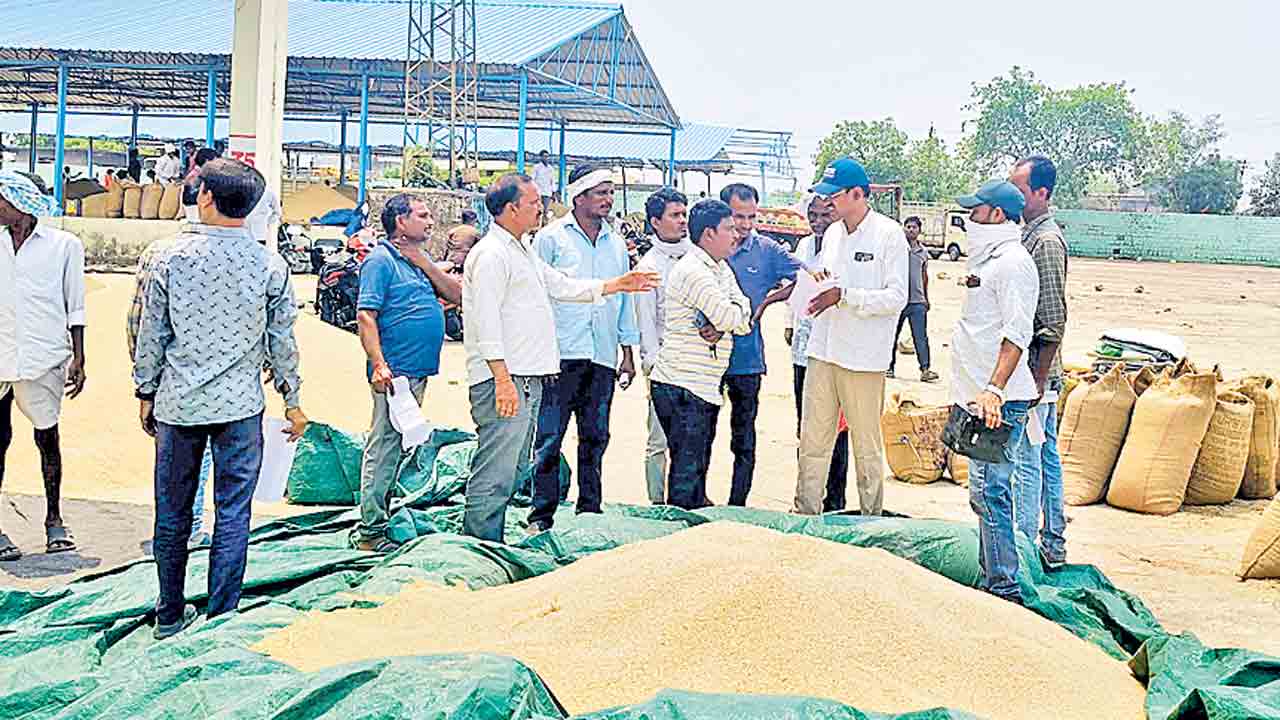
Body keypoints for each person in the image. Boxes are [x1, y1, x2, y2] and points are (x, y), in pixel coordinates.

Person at [132, 158, 309, 639]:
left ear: (205, 197)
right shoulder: (271, 264)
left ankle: (169, 614)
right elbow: (283, 343)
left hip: (179, 405)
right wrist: (292, 399)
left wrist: (145, 391)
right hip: (240, 409)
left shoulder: (168, 257)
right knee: (233, 511)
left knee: (172, 510)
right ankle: (221, 615)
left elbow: (152, 335)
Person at [461, 174, 655, 543]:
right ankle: (479, 545)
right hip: (507, 377)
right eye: (533, 202)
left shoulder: (523, 250)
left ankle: (490, 540)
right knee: (497, 467)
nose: (541, 208)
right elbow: (486, 325)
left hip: (528, 376)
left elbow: (561, 285)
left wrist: (616, 285)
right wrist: (502, 380)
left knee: (515, 464)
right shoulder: (491, 255)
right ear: (511, 208)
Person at [527, 165, 640, 532]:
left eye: (609, 193)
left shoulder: (617, 243)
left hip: (602, 354)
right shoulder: (550, 239)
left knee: (595, 437)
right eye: (600, 193)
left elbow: (625, 300)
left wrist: (627, 352)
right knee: (548, 439)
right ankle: (541, 516)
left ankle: (589, 510)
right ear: (579, 198)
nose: (608, 200)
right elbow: (537, 295)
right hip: (560, 355)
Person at [794, 158, 906, 517]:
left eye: (835, 196)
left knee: (866, 446)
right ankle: (805, 513)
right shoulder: (832, 234)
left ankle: (871, 518)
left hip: (862, 357)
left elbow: (896, 297)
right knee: (813, 440)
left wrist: (845, 296)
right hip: (823, 350)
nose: (827, 204)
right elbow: (827, 280)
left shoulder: (888, 234)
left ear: (858, 194)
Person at [353, 194, 462, 552]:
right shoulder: (380, 262)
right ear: (400, 221)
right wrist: (380, 364)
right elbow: (366, 315)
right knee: (384, 446)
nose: (430, 222)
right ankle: (371, 531)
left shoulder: (419, 259)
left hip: (416, 370)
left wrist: (426, 265)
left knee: (398, 446)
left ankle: (379, 516)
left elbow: (456, 295)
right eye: (423, 215)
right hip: (395, 374)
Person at [951, 179, 1039, 605]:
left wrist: (994, 389)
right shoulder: (992, 260)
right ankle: (993, 579)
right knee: (982, 493)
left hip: (999, 401)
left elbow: (1017, 332)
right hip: (981, 397)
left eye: (977, 211)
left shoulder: (1014, 264)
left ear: (997, 215)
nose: (970, 219)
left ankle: (1004, 590)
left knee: (991, 491)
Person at [0, 171, 86, 562]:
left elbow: (75, 304)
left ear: (18, 202)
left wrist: (79, 356)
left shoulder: (64, 246)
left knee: (46, 438)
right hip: (1, 354)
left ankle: (54, 519)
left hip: (43, 355)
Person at [128, 178, 215, 549]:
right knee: (209, 457)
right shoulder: (253, 257)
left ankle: (173, 532)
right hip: (222, 380)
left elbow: (139, 322)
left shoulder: (159, 252)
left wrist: (145, 383)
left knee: (171, 460)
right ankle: (194, 528)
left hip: (170, 377)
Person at [649, 199, 752, 509]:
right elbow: (728, 316)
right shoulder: (694, 271)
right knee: (686, 473)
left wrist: (731, 318)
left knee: (696, 469)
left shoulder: (720, 268)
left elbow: (743, 311)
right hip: (682, 385)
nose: (736, 234)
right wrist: (731, 318)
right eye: (730, 228)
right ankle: (677, 542)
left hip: (702, 386)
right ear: (709, 234)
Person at [717, 184, 805, 506]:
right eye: (738, 216)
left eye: (751, 216)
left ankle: (737, 504)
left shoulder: (767, 250)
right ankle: (694, 504)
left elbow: (805, 276)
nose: (744, 224)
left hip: (747, 361)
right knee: (697, 437)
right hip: (705, 362)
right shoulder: (706, 248)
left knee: (743, 440)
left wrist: (770, 300)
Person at [1009, 155, 1069, 570]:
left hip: (1037, 371)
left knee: (1028, 460)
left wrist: (1036, 379)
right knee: (1045, 454)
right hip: (1038, 372)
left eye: (1020, 189)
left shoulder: (1045, 242)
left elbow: (1052, 319)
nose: (1014, 196)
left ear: (1041, 193)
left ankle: (1025, 547)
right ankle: (1053, 544)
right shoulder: (1029, 234)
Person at [783, 195, 850, 511]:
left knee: (837, 431)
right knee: (807, 428)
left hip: (835, 351)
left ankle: (835, 499)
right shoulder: (804, 247)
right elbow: (795, 287)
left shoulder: (845, 247)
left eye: (826, 214)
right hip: (804, 349)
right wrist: (789, 323)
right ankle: (808, 498)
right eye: (813, 214)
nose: (819, 220)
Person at [634, 187, 690, 505]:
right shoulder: (648, 266)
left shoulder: (698, 258)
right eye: (674, 215)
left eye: (684, 214)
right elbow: (646, 322)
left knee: (691, 438)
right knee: (659, 439)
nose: (682, 221)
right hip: (662, 364)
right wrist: (652, 366)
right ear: (656, 222)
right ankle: (657, 502)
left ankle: (685, 501)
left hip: (695, 364)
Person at [888, 216, 939, 382]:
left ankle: (925, 370)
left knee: (920, 337)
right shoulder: (897, 249)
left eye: (914, 227)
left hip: (917, 302)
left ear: (919, 230)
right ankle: (888, 367)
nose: (911, 230)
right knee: (891, 335)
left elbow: (924, 276)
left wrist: (926, 298)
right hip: (898, 300)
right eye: (908, 227)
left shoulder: (923, 253)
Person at [441, 223, 479, 342]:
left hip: (452, 263)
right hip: (462, 263)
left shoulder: (454, 230)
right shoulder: (474, 232)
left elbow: (448, 248)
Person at [532, 150, 557, 217]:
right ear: (541, 157)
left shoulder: (551, 169)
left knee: (546, 210)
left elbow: (552, 181)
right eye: (544, 156)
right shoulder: (536, 167)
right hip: (538, 192)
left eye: (547, 156)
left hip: (547, 192)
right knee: (538, 210)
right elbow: (533, 179)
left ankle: (544, 224)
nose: (546, 158)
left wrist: (554, 192)